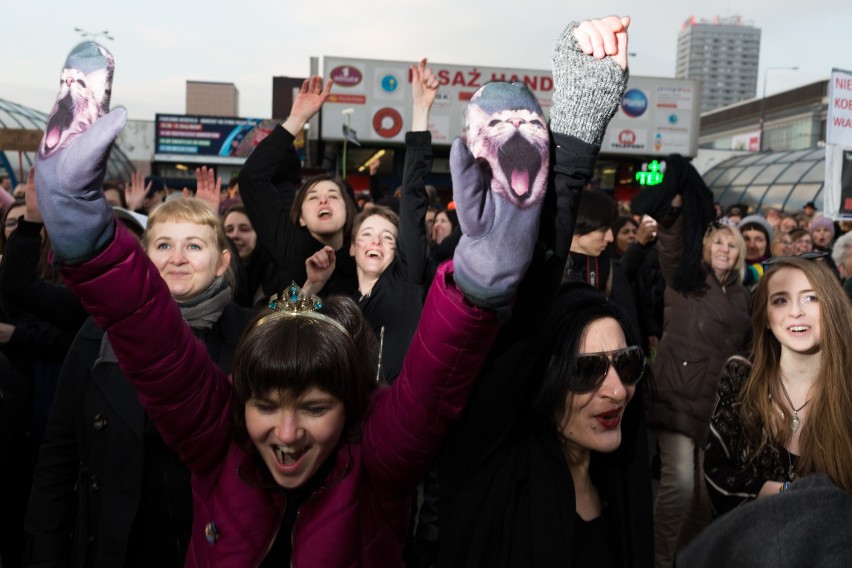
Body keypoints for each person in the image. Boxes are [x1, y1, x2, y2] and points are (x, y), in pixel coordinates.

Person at [32, 41, 540, 566]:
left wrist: (482, 281)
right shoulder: (222, 439)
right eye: (265, 406)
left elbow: (431, 387)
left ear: (351, 409)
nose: (288, 434)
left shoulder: (376, 457)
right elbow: (153, 341)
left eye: (316, 408)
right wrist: (80, 229)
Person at [437, 16, 654, 568]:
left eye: (627, 365)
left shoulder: (624, 482)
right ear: (544, 378)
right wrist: (575, 141)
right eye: (587, 370)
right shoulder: (494, 469)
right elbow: (528, 321)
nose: (615, 391)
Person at [24, 198, 257, 567]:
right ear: (145, 258)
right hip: (116, 548)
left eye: (193, 246)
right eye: (164, 245)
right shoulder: (98, 333)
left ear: (221, 263)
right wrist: (44, 552)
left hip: (213, 548)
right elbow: (59, 455)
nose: (176, 259)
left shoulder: (252, 339)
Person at [301, 59, 438, 381]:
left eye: (388, 237)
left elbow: (414, 202)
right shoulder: (336, 300)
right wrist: (312, 285)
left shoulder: (408, 284)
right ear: (351, 249)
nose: (376, 241)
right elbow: (284, 327)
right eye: (366, 234)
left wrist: (420, 109)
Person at [702, 255, 852, 518]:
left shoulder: (847, 387)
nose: (796, 311)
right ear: (766, 319)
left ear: (832, 305)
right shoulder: (740, 377)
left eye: (811, 297)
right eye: (780, 300)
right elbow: (718, 475)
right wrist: (785, 492)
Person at [647, 188, 751, 566]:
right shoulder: (686, 279)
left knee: (704, 496)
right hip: (676, 395)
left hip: (716, 404)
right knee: (680, 484)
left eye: (732, 243)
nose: (725, 248)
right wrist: (677, 206)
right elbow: (671, 245)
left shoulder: (743, 296)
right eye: (718, 241)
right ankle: (657, 559)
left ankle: (684, 558)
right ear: (705, 248)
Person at [239, 79, 357, 298]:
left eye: (333, 195)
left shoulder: (362, 254)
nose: (324, 201)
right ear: (301, 218)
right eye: (313, 197)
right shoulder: (289, 246)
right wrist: (297, 120)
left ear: (347, 210)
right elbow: (252, 179)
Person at [737, 214, 773, 289]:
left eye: (759, 239)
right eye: (746, 239)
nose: (752, 245)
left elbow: (746, 275)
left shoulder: (769, 268)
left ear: (767, 244)